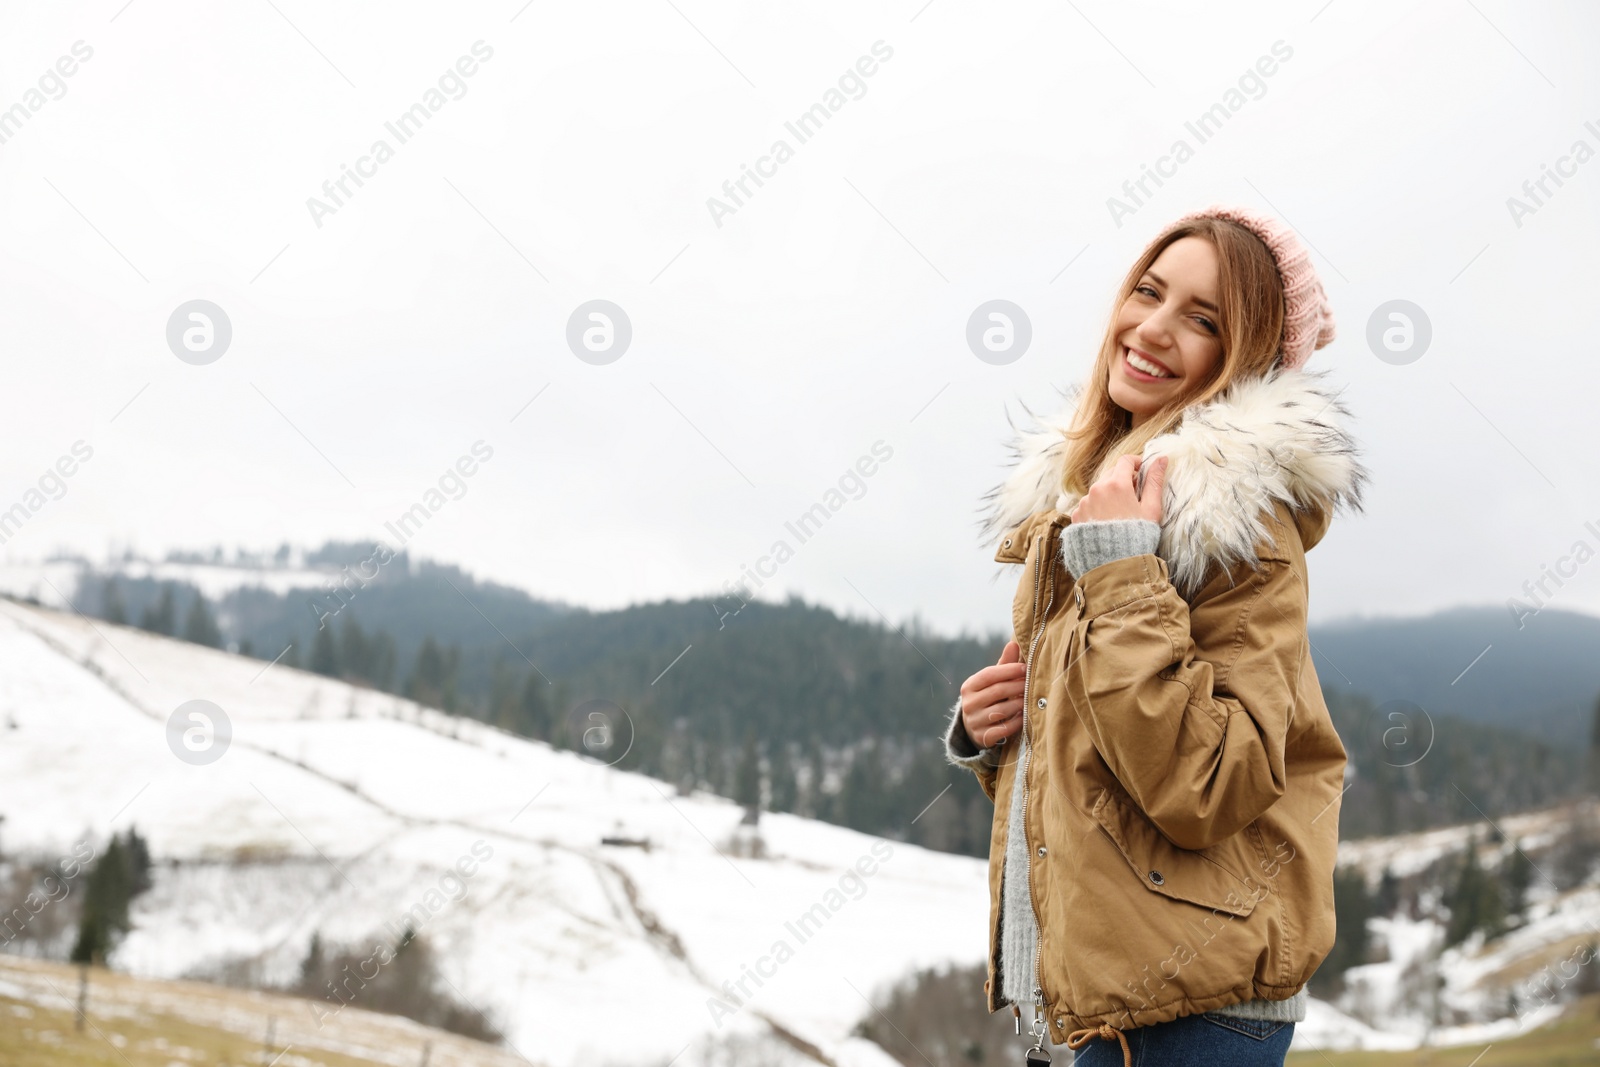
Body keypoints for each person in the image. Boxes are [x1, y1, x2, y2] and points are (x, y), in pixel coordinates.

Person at [942, 204, 1366, 1066]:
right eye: (1149, 291)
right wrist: (1001, 735)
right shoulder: (1098, 501)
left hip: (1194, 1017)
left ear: (1244, 357)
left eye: (1204, 319)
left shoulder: (1239, 523)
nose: (1154, 327)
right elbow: (1109, 780)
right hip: (1104, 1010)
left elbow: (1210, 783)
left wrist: (1124, 573)